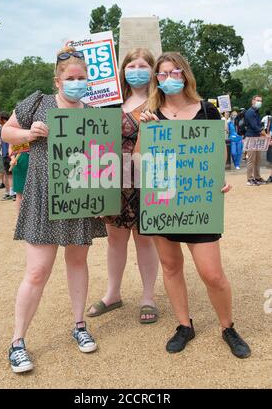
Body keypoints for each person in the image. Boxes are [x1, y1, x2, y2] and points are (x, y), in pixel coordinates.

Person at [138, 52, 251, 359]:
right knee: (171, 266)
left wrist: (223, 181)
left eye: (175, 73)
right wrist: (144, 130)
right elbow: (138, 161)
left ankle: (228, 327)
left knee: (212, 274)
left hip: (198, 203)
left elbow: (215, 161)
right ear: (156, 80)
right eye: (162, 74)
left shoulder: (207, 111)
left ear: (185, 75)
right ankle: (184, 325)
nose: (169, 79)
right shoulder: (151, 114)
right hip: (162, 203)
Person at [1, 46, 107, 374]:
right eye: (70, 78)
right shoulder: (39, 103)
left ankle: (79, 325)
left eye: (82, 77)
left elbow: (103, 161)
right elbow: (6, 133)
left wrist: (102, 196)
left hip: (79, 199)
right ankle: (17, 342)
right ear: (57, 80)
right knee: (37, 272)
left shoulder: (94, 113)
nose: (76, 82)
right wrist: (27, 133)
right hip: (43, 198)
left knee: (77, 261)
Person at [87, 48, 159, 323]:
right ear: (123, 69)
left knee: (145, 240)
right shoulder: (110, 102)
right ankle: (112, 294)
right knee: (115, 241)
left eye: (143, 65)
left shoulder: (158, 102)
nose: (137, 70)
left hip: (144, 179)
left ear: (152, 70)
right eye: (132, 65)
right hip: (113, 179)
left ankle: (148, 296)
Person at [244, 96, 267, 186]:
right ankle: (249, 179)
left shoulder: (256, 112)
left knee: (257, 159)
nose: (259, 102)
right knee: (251, 160)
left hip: (257, 138)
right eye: (258, 100)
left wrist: (263, 134)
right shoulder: (250, 112)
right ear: (252, 101)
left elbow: (259, 126)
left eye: (261, 101)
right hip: (251, 138)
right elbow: (255, 126)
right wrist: (266, 135)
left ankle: (257, 177)